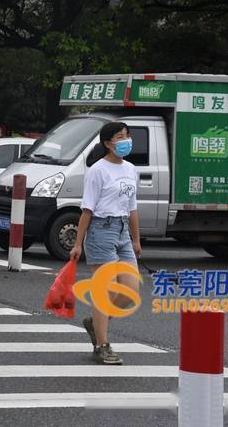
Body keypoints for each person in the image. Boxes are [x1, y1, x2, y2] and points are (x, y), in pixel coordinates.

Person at [69, 121, 143, 365]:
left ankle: (95, 323)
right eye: (120, 137)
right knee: (106, 291)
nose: (126, 140)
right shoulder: (97, 170)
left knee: (131, 292)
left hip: (122, 230)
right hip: (101, 229)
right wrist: (78, 244)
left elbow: (132, 207)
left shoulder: (131, 169)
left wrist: (136, 239)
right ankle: (102, 345)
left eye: (127, 136)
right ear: (107, 143)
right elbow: (87, 210)